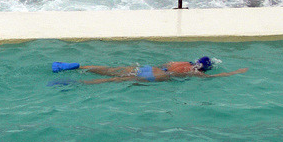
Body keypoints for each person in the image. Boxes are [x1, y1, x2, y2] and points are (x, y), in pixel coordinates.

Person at [51, 56, 247, 84]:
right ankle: (78, 83)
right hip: (159, 76)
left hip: (152, 68)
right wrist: (236, 72)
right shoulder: (196, 72)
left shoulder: (179, 61)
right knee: (116, 81)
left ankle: (76, 67)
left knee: (111, 71)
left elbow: (167, 62)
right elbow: (217, 77)